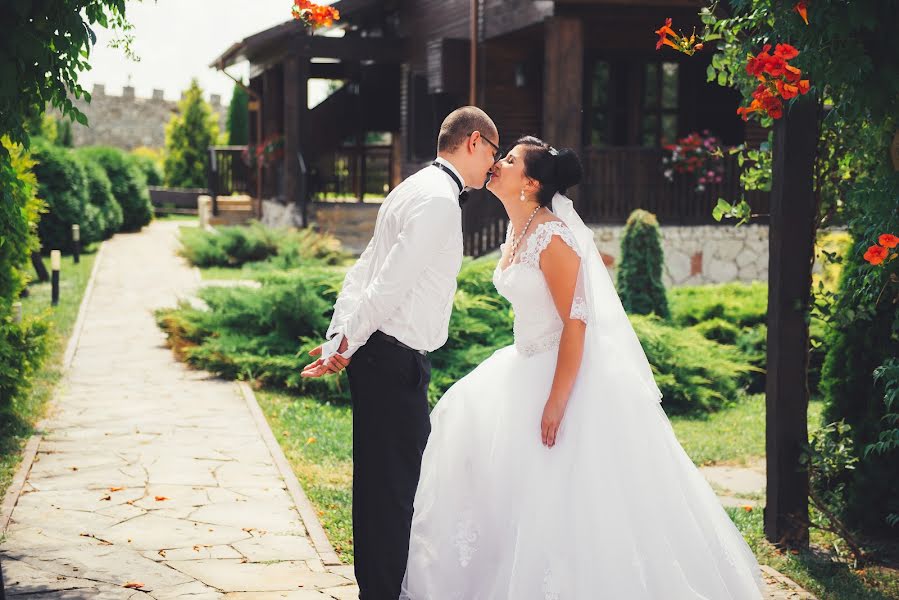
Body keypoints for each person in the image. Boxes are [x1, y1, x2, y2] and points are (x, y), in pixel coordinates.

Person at [399, 136, 766, 599]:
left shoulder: (552, 235)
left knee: (565, 498)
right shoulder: (517, 228)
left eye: (508, 160)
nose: (498, 162)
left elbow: (577, 322)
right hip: (522, 362)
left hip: (561, 372)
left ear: (530, 182)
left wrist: (556, 399)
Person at [301, 106, 501, 600]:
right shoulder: (437, 201)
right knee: (395, 490)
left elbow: (361, 271)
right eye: (493, 154)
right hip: (392, 360)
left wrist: (339, 339)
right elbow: (385, 285)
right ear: (474, 142)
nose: (492, 167)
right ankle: (383, 591)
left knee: (380, 484)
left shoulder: (411, 188)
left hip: (379, 356)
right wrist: (343, 346)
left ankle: (377, 586)